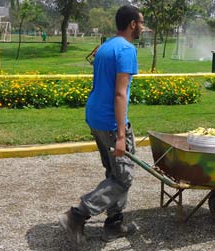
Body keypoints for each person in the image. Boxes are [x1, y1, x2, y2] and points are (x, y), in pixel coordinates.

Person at [58, 5, 144, 246]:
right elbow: (119, 94)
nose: (143, 28)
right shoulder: (127, 50)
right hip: (109, 121)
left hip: (95, 116)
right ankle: (77, 215)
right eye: (141, 23)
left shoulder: (106, 46)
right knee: (123, 178)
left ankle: (115, 223)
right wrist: (120, 134)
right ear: (132, 24)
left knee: (113, 171)